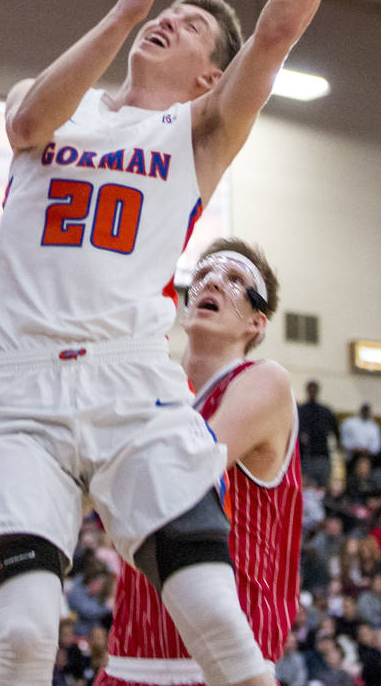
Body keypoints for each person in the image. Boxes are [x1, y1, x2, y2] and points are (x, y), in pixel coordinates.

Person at [0, 0, 381, 686]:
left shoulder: (198, 135)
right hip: (19, 386)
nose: (173, 20)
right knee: (29, 636)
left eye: (193, 27)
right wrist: (123, 13)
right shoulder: (61, 104)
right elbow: (29, 119)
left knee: (217, 626)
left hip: (128, 378)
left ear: (210, 75)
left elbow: (276, 33)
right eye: (173, 13)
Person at [95, 239, 301, 686]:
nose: (212, 281)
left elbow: (183, 472)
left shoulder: (264, 381)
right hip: (129, 660)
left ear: (256, 321)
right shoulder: (158, 388)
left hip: (221, 667)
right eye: (204, 274)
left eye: (235, 280)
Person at [297, 381, 340, 489]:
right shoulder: (300, 410)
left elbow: (336, 433)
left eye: (314, 389)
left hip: (322, 456)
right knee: (306, 488)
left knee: (322, 489)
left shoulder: (325, 411)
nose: (312, 391)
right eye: (310, 389)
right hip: (306, 457)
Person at [341, 403, 381, 470]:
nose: (365, 412)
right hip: (351, 456)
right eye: (364, 410)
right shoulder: (349, 423)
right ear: (360, 410)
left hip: (367, 457)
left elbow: (376, 446)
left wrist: (368, 450)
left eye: (367, 411)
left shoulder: (374, 427)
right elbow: (343, 440)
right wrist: (353, 448)